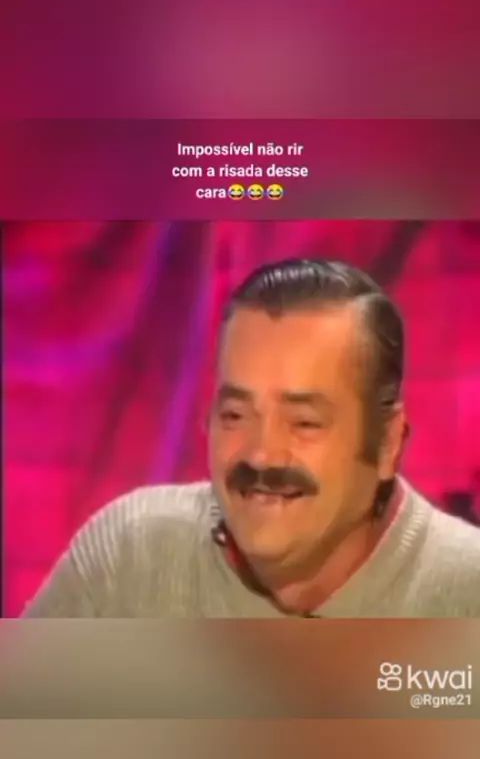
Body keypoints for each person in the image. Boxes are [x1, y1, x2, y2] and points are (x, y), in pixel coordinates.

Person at [23, 259, 480, 618]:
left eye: (304, 422)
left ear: (386, 444)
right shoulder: (130, 559)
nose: (261, 454)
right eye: (235, 415)